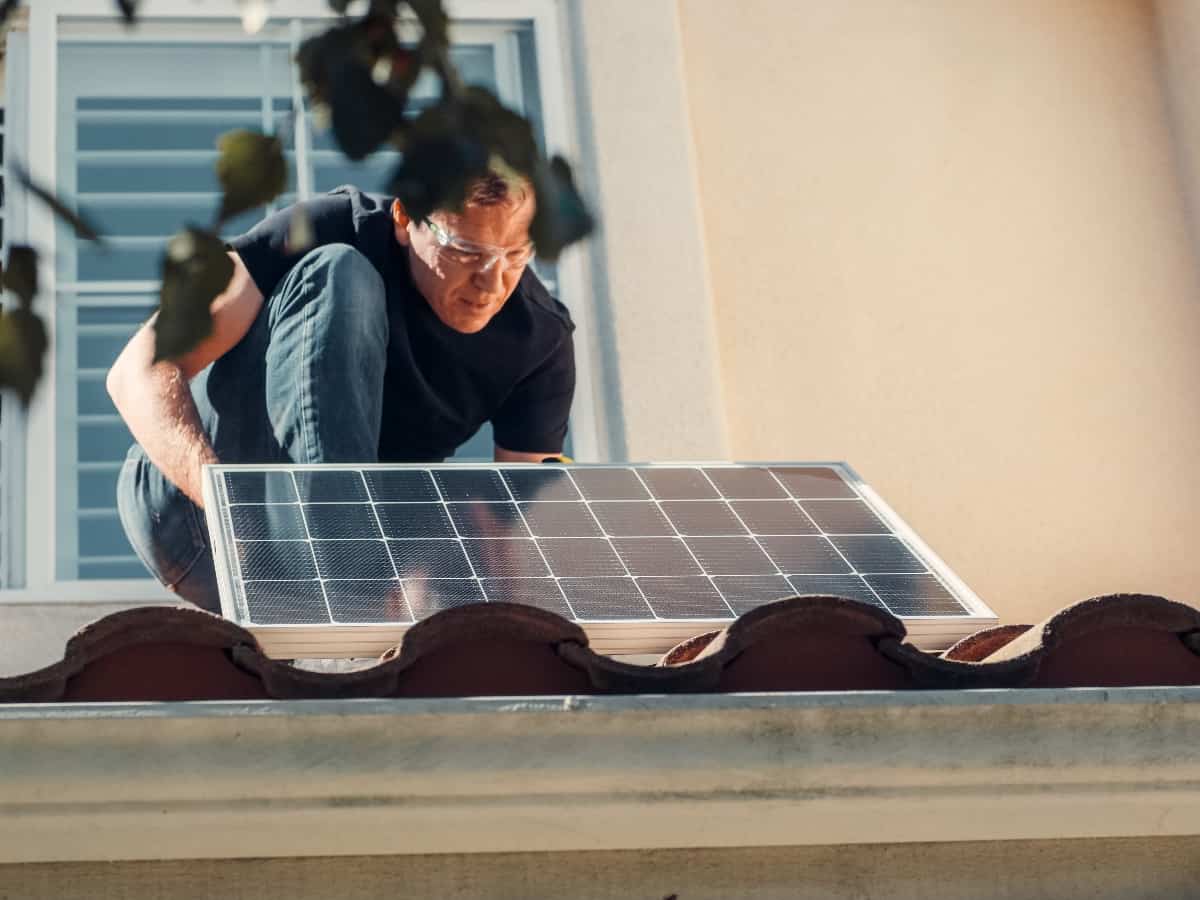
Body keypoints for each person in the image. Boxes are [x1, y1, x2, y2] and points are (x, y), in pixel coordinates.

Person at [108, 174, 575, 613]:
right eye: (466, 251)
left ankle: (356, 590)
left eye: (515, 256)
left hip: (332, 569)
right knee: (340, 271)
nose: (491, 285)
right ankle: (349, 580)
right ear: (404, 220)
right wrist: (225, 507)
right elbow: (136, 370)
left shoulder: (539, 338)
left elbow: (508, 518)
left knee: (470, 500)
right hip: (198, 525)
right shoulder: (330, 226)